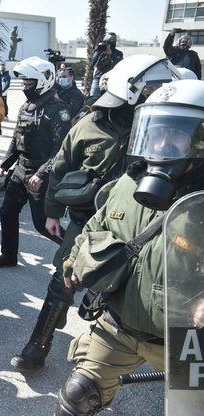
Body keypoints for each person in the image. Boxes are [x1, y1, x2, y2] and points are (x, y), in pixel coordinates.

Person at [10, 55, 179, 371]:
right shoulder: (88, 125)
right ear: (131, 93)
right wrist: (51, 213)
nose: (157, 96)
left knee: (137, 292)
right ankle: (38, 345)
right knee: (63, 278)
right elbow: (61, 167)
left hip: (141, 223)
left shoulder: (163, 128)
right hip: (86, 220)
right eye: (151, 90)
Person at [54, 79, 204, 415]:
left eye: (176, 133)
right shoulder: (126, 184)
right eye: (157, 131)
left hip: (189, 339)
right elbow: (93, 229)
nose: (162, 143)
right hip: (121, 322)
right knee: (77, 394)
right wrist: (73, 264)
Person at [0, 56, 71, 269]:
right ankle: (8, 255)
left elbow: (61, 148)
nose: (24, 87)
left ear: (42, 81)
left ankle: (77, 253)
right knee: (7, 212)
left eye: (28, 83)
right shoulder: (26, 105)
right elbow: (16, 139)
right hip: (21, 169)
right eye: (23, 83)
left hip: (41, 174)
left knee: (43, 225)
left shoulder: (58, 109)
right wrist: (4, 165)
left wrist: (42, 174)